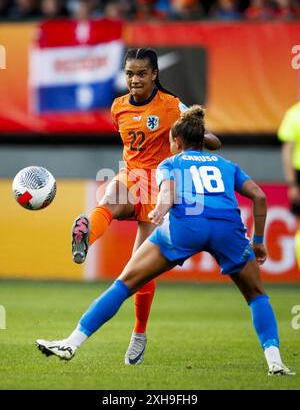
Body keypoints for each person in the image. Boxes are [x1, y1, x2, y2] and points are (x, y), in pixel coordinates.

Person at [37, 105, 294, 376]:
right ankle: (275, 361)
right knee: (256, 296)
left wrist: (159, 210)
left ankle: (71, 343)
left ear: (177, 142)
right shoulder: (227, 165)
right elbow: (260, 196)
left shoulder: (170, 162)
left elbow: (168, 192)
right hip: (227, 230)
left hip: (186, 228)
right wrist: (258, 240)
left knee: (124, 284)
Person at [70, 48, 221, 366]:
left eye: (141, 73)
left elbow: (201, 135)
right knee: (108, 201)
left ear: (154, 74)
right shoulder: (118, 107)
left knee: (139, 268)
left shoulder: (171, 105)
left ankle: (138, 333)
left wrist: (205, 137)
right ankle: (85, 234)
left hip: (160, 186)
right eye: (129, 74)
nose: (134, 79)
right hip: (131, 178)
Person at [278, 102, 300, 271]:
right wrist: (293, 184)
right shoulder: (294, 114)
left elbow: (287, 150)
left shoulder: (294, 113)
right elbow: (288, 150)